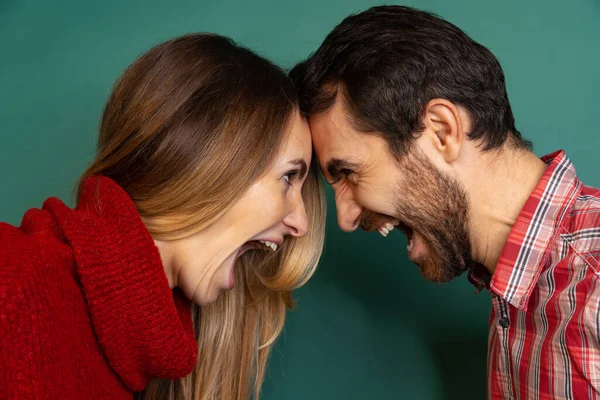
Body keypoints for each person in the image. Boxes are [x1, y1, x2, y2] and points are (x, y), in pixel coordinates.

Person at [290, 5, 600, 399]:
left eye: (349, 172)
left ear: (441, 131)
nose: (347, 218)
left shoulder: (593, 284)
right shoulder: (517, 290)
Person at [0, 33, 325, 400]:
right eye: (287, 177)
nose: (301, 222)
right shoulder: (13, 284)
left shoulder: (135, 352)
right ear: (209, 162)